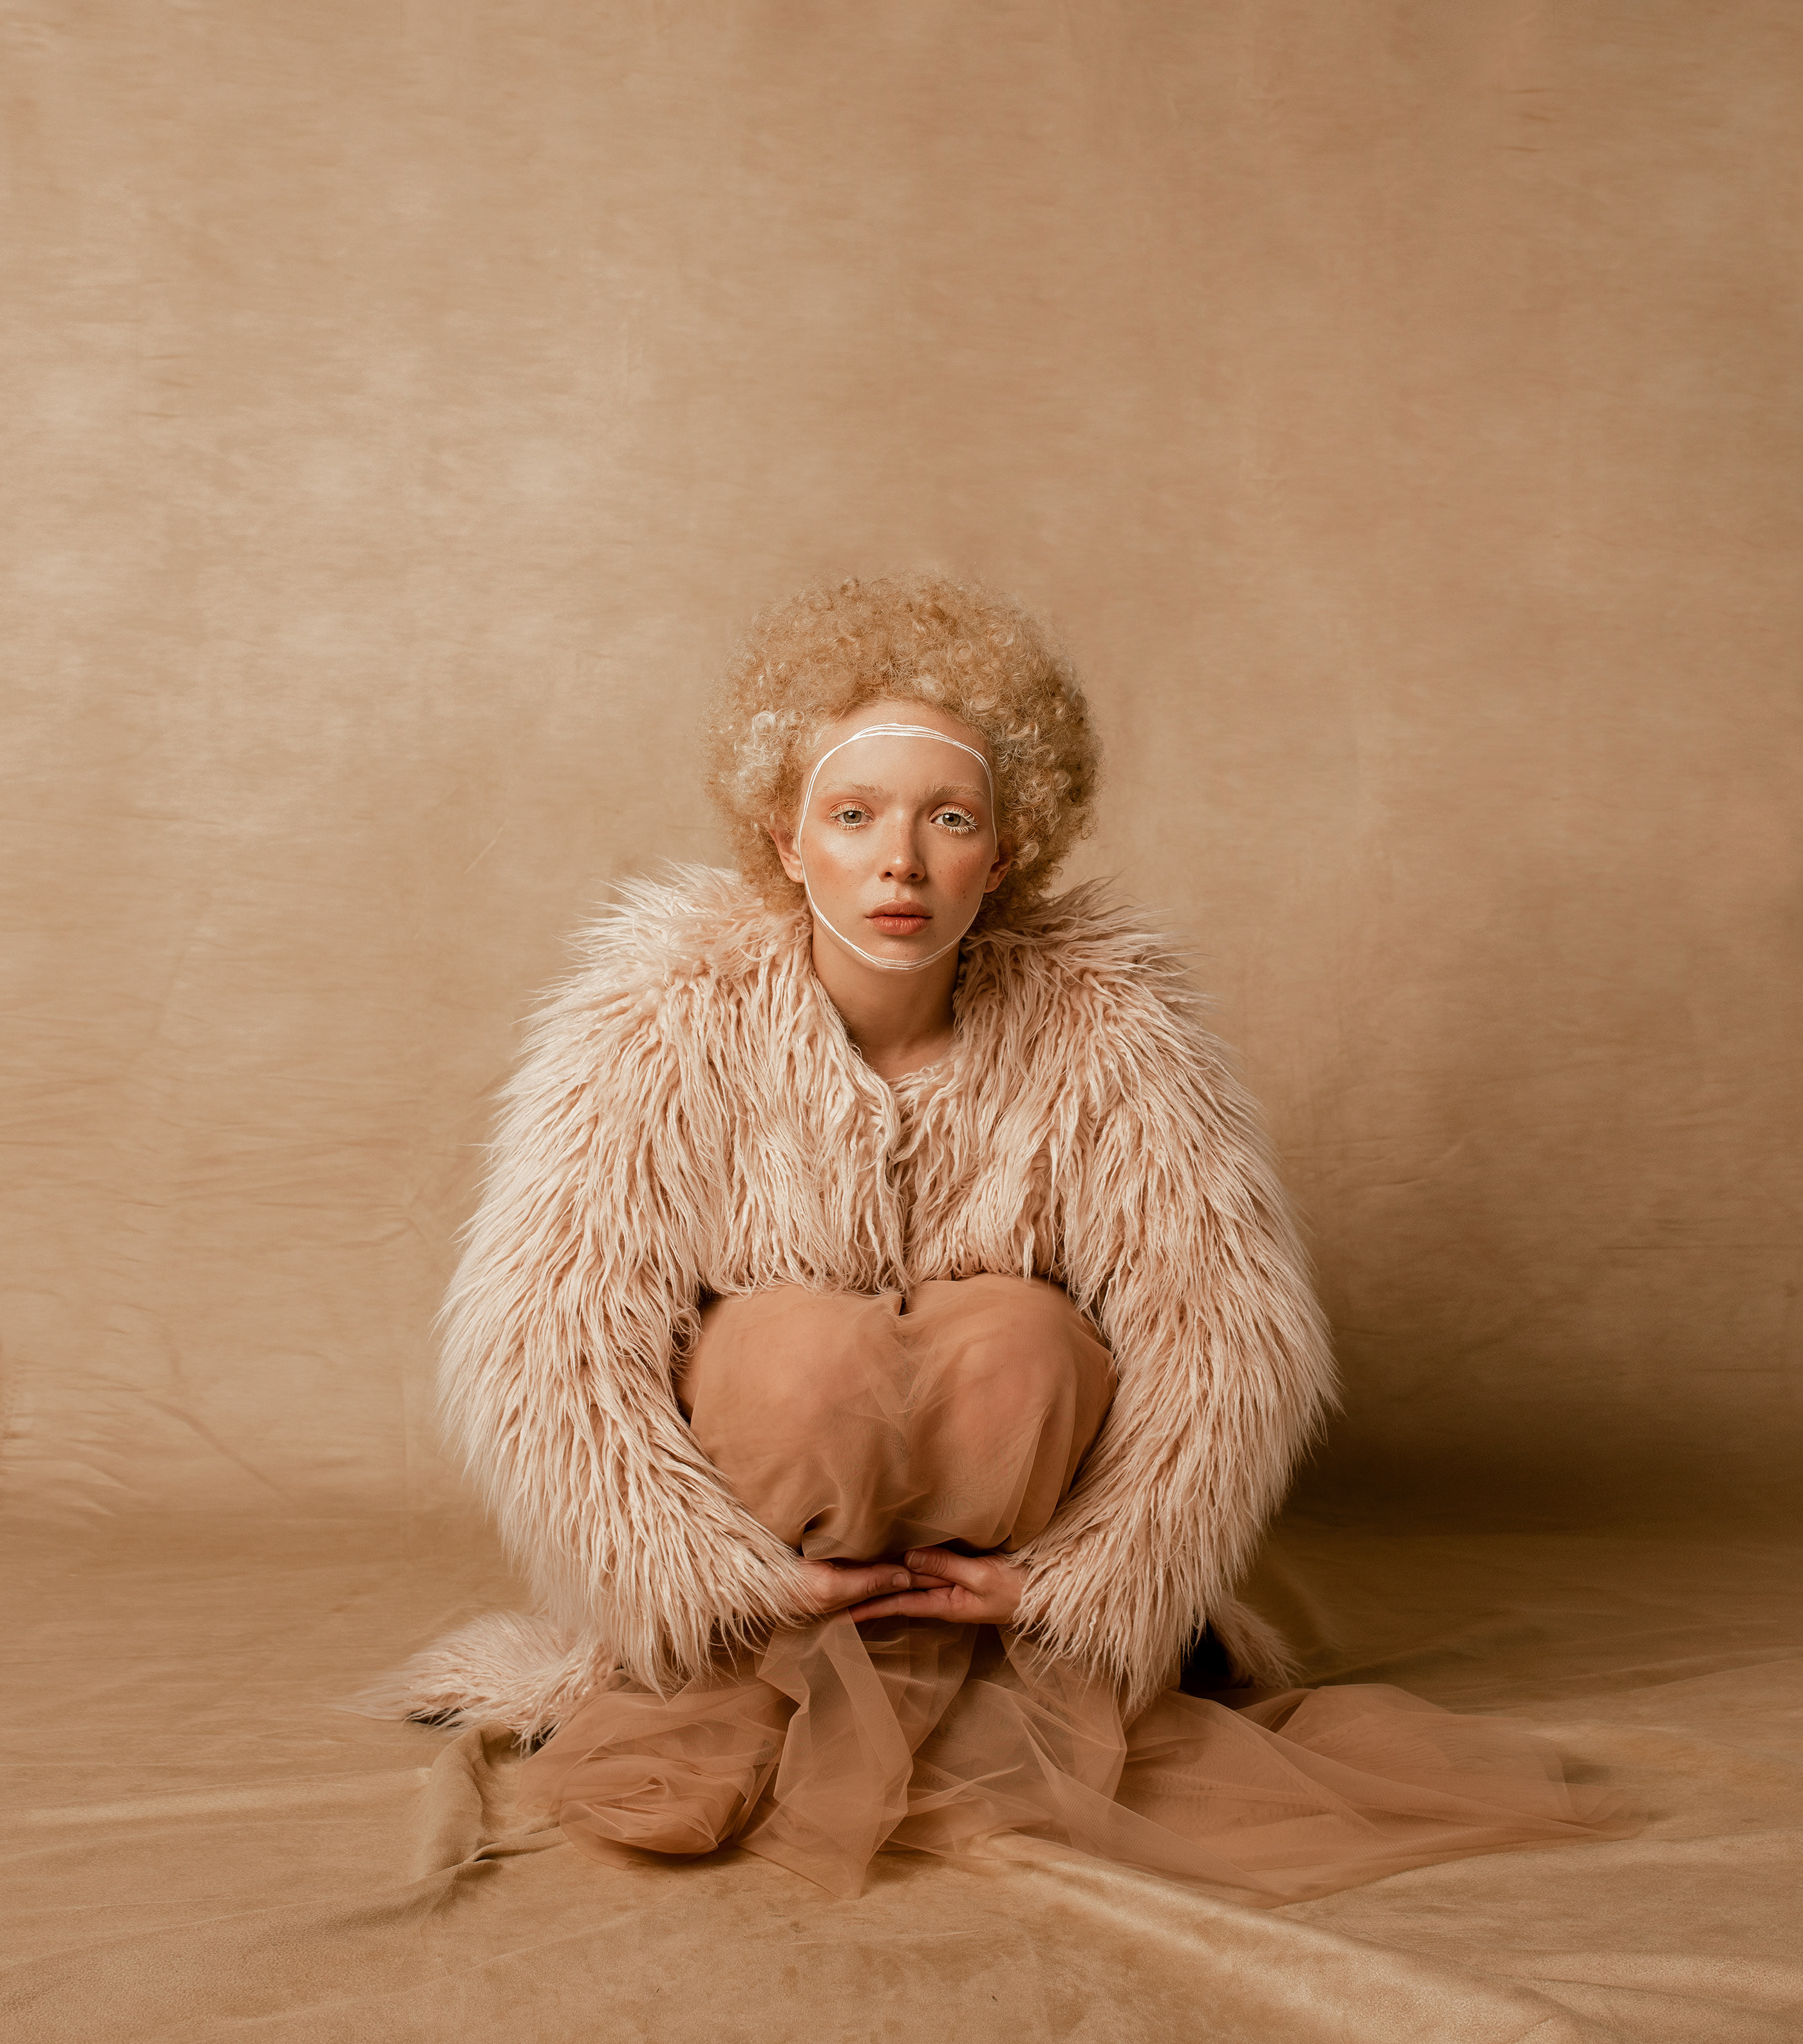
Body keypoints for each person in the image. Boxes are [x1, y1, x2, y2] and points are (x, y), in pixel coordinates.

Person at [378, 574, 1630, 1899]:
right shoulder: (657, 1024)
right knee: (796, 1349)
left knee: (1014, 1336)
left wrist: (1072, 1588)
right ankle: (779, 1674)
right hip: (770, 1554)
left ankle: (981, 1670)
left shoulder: (1111, 1032)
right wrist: (724, 1582)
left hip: (1007, 1557)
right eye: (853, 816)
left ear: (1009, 849)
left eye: (950, 819)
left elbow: (1222, 1341)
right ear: (786, 841)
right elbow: (547, 1345)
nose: (900, 863)